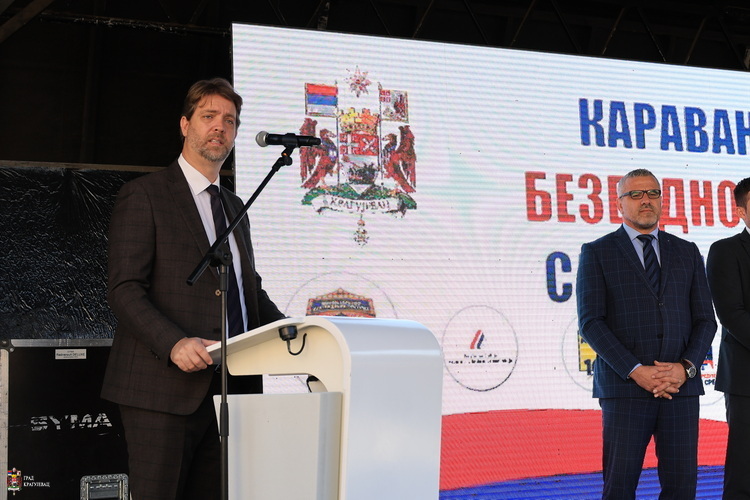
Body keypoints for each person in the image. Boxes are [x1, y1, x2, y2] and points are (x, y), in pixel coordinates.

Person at [101, 77, 286, 499]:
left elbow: (248, 291)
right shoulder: (145, 195)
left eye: (230, 120)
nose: (220, 126)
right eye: (209, 116)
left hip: (232, 390)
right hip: (162, 390)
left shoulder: (235, 206)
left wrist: (297, 332)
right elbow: (124, 289)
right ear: (185, 125)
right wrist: (173, 343)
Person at [576, 168, 716, 499]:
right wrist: (636, 370)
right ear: (619, 203)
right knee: (619, 488)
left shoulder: (687, 251)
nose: (646, 200)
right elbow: (591, 322)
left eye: (653, 193)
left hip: (680, 390)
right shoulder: (597, 252)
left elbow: (705, 320)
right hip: (625, 390)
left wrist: (685, 368)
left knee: (682, 488)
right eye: (635, 194)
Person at [706, 176, 750, 499]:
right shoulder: (725, 251)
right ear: (741, 212)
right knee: (744, 474)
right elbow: (733, 315)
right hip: (747, 382)